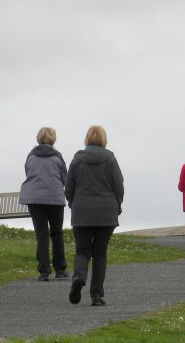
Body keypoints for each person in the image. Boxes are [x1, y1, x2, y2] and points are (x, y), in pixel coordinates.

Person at [65, 126, 124, 307]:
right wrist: (117, 206)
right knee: (100, 254)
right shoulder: (110, 159)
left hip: (82, 212)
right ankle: (96, 295)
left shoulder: (77, 160)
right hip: (106, 212)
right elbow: (118, 185)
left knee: (82, 251)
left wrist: (74, 204)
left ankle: (79, 277)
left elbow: (69, 188)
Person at [19, 127, 69, 281]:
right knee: (57, 233)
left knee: (42, 235)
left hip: (35, 198)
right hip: (55, 198)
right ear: (53, 139)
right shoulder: (57, 157)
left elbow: (28, 172)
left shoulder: (31, 156)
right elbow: (65, 179)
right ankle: (60, 269)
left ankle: (44, 271)